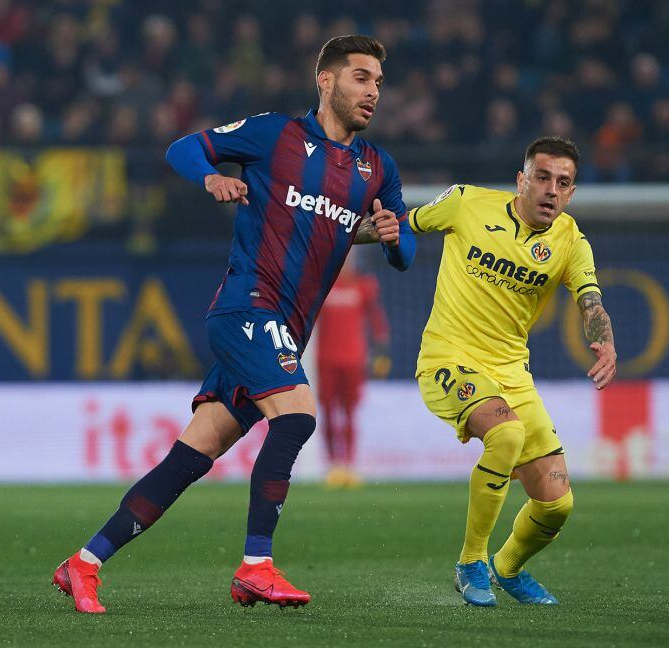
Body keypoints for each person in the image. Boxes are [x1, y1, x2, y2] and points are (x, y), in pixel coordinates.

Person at [52, 34, 415, 614]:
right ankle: (256, 566)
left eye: (378, 82)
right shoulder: (275, 134)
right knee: (297, 417)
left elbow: (405, 250)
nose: (373, 91)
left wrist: (397, 240)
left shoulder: (377, 168)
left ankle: (84, 562)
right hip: (247, 307)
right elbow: (183, 148)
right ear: (326, 81)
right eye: (360, 77)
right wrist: (210, 178)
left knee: (190, 458)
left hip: (285, 330)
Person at [408, 137, 616, 606]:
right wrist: (330, 229)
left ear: (571, 193)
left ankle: (507, 567)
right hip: (448, 358)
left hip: (511, 374)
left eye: (563, 183)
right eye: (542, 178)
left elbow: (590, 298)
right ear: (521, 181)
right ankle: (470, 562)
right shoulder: (465, 203)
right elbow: (398, 225)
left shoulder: (569, 240)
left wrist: (603, 337)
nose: (551, 191)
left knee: (557, 502)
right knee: (505, 435)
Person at [314, 255, 391, 488]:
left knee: (349, 413)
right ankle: (332, 465)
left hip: (353, 360)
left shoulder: (364, 286)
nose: (346, 262)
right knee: (327, 412)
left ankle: (348, 464)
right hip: (325, 359)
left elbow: (377, 319)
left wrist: (382, 350)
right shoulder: (323, 286)